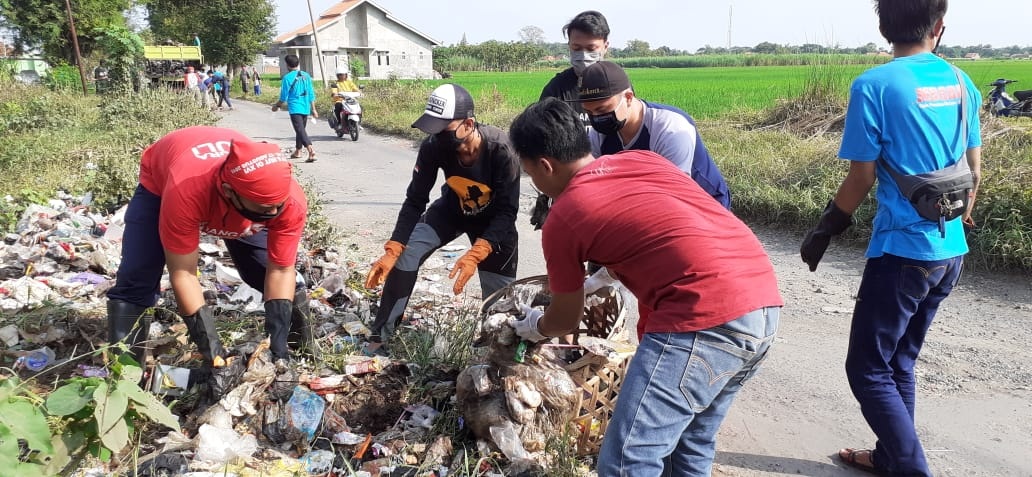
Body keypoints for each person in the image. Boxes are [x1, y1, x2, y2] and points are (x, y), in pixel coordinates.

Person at [508, 98, 782, 476]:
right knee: (690, 443)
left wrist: (535, 325)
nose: (535, 183)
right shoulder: (642, 160)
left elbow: (565, 317)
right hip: (763, 303)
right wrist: (606, 274)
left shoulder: (565, 216)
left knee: (626, 460)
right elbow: (667, 228)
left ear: (545, 165)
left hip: (702, 318)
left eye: (530, 173)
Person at [799, 1, 981, 475]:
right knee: (899, 362)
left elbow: (860, 177)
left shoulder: (874, 86)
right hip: (950, 251)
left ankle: (910, 467)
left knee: (867, 370)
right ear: (939, 27)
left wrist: (825, 229)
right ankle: (890, 457)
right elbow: (974, 170)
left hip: (902, 253)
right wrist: (956, 226)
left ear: (883, 29)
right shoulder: (963, 83)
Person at [106, 126, 317, 381]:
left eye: (278, 207)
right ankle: (126, 376)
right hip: (165, 183)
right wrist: (212, 351)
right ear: (229, 192)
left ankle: (293, 352)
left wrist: (278, 347)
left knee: (263, 270)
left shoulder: (288, 201)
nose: (273, 215)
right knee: (137, 275)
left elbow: (282, 269)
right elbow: (184, 274)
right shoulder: (187, 191)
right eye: (264, 208)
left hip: (236, 198)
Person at [363, 84, 520, 352]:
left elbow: (508, 210)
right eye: (432, 130)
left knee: (499, 296)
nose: (436, 136)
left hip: (494, 222)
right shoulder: (434, 146)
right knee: (406, 255)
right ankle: (381, 335)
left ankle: (492, 352)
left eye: (443, 130)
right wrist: (395, 245)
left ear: (468, 124)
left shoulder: (501, 149)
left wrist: (478, 251)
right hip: (451, 210)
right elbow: (415, 200)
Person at [577, 61, 731, 209]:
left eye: (602, 110)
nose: (596, 118)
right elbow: (592, 182)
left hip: (703, 203)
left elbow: (674, 197)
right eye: (589, 113)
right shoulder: (598, 134)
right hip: (644, 200)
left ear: (628, 98)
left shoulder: (670, 128)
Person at [532, 10, 610, 229]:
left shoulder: (617, 86)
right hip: (569, 188)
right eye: (576, 48)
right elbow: (543, 144)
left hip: (609, 183)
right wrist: (545, 195)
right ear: (569, 46)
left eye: (591, 48)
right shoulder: (556, 90)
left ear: (605, 46)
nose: (583, 54)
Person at [272, 54, 318, 162]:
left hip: (295, 107)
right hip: (305, 106)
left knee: (300, 130)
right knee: (300, 130)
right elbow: (311, 93)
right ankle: (298, 151)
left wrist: (276, 106)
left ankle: (311, 150)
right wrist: (314, 109)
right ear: (298, 63)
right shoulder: (306, 76)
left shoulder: (287, 78)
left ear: (287, 65)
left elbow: (283, 97)